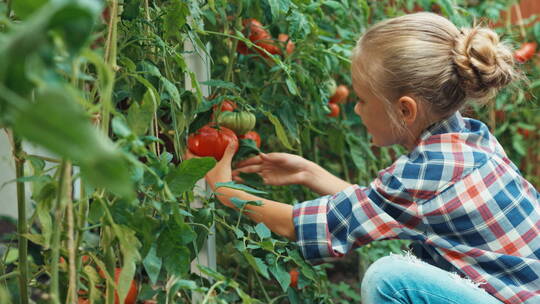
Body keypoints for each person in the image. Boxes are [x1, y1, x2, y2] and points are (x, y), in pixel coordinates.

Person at [189, 12, 540, 304]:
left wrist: (224, 191)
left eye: (361, 99)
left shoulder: (427, 173)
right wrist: (312, 173)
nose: (356, 109)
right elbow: (386, 208)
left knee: (390, 279)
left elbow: (296, 225)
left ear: (405, 110)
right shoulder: (470, 139)